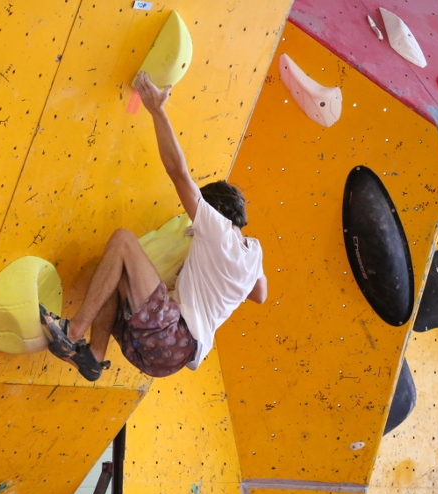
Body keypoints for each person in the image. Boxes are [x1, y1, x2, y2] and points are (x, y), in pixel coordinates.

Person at [40, 70, 267, 381]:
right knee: (104, 270)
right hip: (168, 358)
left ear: (215, 210)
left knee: (122, 240)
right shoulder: (253, 253)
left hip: (173, 334)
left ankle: (74, 331)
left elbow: (178, 172)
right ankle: (94, 357)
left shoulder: (217, 230)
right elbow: (260, 294)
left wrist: (157, 111)